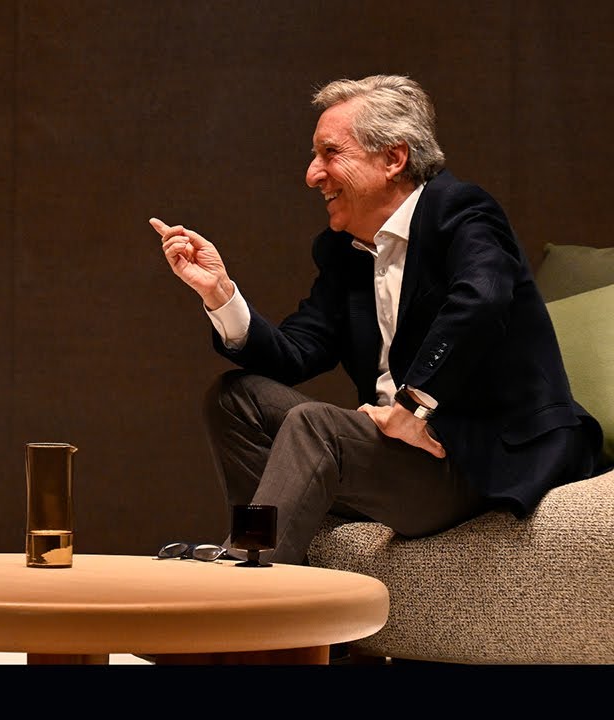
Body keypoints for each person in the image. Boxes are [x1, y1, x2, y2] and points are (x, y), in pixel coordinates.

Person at [151, 74, 604, 566]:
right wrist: (219, 293)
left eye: (330, 153)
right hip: (398, 455)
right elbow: (293, 354)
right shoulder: (344, 254)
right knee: (235, 398)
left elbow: (483, 299)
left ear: (393, 158)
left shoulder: (462, 211)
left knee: (315, 425)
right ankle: (263, 551)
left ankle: (251, 581)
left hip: (475, 457)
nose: (311, 174)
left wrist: (414, 405)